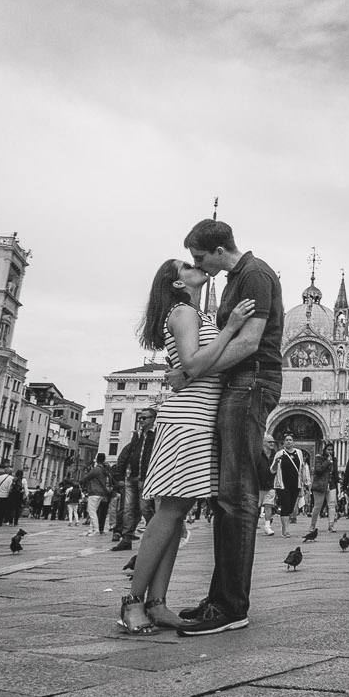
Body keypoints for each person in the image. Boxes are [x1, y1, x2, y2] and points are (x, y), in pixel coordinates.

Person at [118, 257, 252, 635]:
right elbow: (193, 363)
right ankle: (131, 601)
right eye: (186, 266)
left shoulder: (196, 315)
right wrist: (232, 329)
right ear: (177, 283)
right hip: (187, 419)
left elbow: (195, 366)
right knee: (169, 513)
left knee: (176, 516)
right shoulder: (182, 312)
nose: (196, 266)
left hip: (200, 419)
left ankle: (157, 603)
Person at [175, 219, 281, 637]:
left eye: (200, 257)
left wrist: (196, 370)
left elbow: (249, 342)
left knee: (236, 496)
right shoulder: (238, 276)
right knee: (227, 496)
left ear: (219, 250)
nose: (197, 264)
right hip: (240, 382)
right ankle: (220, 597)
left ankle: (232, 606)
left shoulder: (254, 274)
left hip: (251, 381)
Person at [272, 434, 307, 539]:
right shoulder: (280, 453)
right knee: (285, 504)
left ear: (293, 442)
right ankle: (285, 529)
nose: (288, 442)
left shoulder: (299, 453)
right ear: (283, 442)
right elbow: (272, 469)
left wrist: (304, 482)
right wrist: (276, 462)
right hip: (282, 484)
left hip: (295, 484)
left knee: (291, 507)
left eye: (290, 440)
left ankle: (285, 522)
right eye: (286, 440)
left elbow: (302, 468)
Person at [79, 454, 114, 533]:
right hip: (101, 493)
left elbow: (85, 477)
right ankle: (91, 529)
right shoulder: (104, 470)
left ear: (97, 459)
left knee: (92, 511)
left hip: (94, 492)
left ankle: (95, 529)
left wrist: (86, 470)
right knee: (94, 510)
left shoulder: (96, 469)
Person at [307, 447, 335, 535]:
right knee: (317, 506)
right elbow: (318, 470)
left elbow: (335, 472)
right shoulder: (319, 458)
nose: (330, 452)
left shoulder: (334, 460)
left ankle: (331, 525)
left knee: (332, 505)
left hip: (331, 484)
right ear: (324, 450)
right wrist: (327, 461)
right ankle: (312, 525)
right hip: (320, 485)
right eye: (328, 450)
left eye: (331, 450)